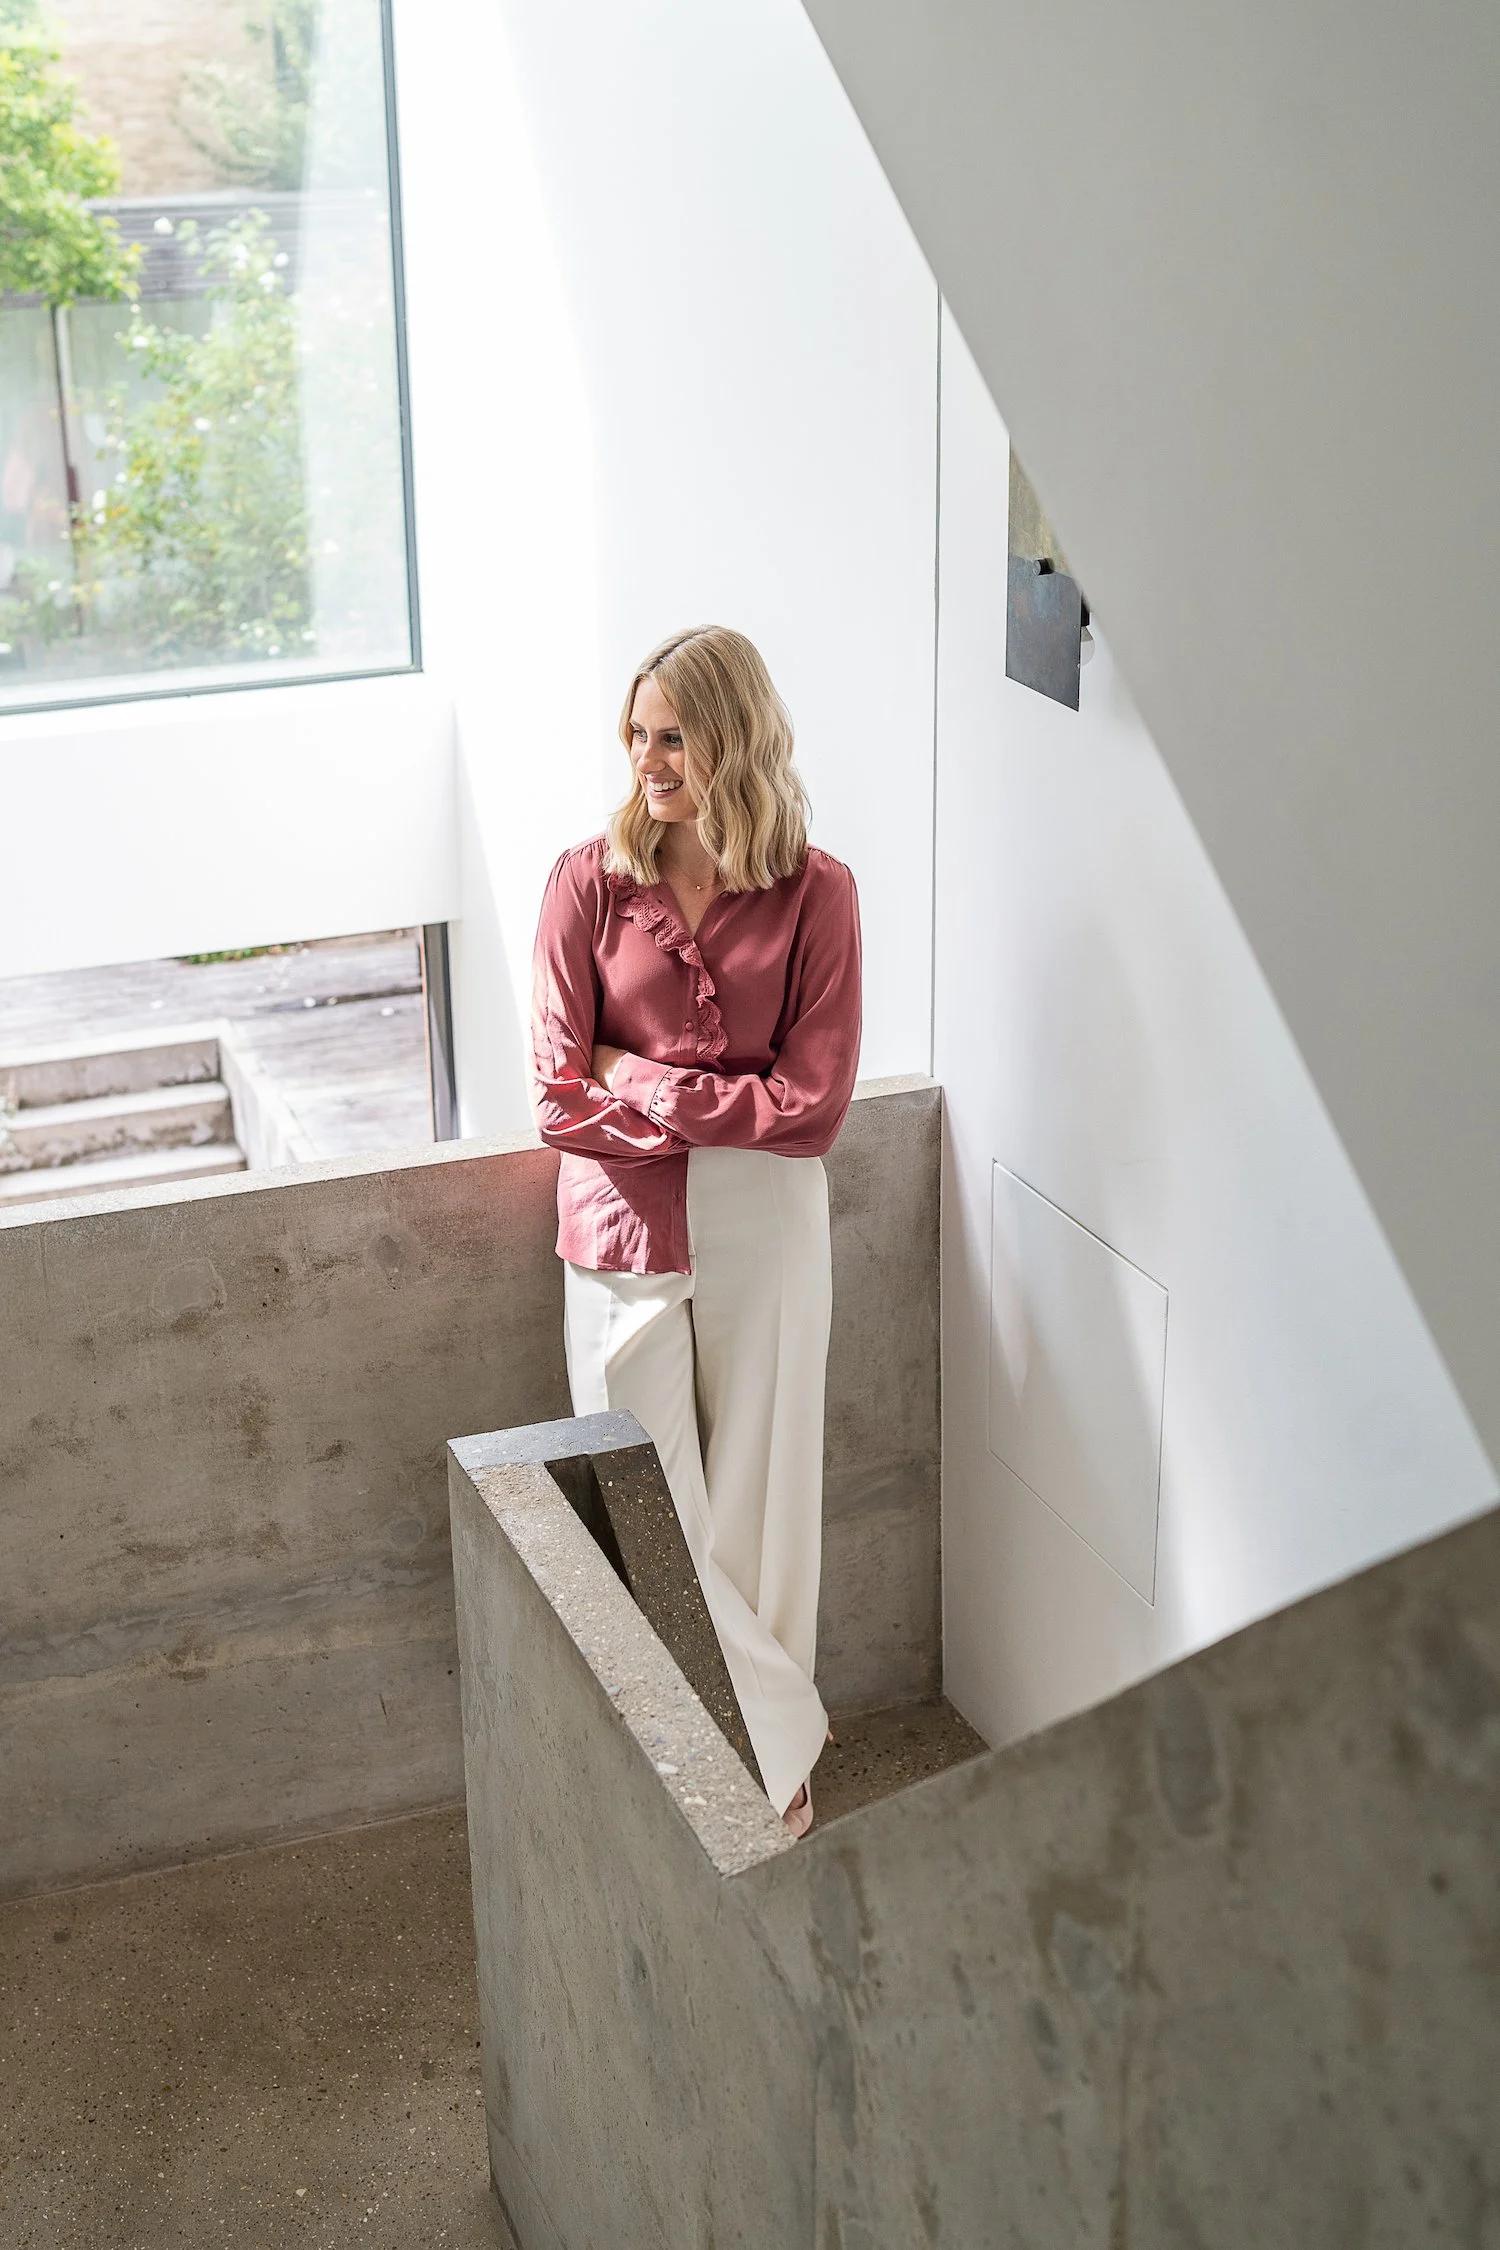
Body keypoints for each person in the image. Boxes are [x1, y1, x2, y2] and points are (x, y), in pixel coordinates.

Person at [529, 625, 862, 1836]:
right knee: (643, 1493)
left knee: (764, 1490)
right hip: (618, 1219)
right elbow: (559, 1093)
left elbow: (813, 1110)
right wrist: (720, 1110)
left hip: (768, 1217)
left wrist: (651, 1080)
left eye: (674, 734)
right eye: (637, 733)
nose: (648, 758)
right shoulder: (585, 882)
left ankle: (759, 1774)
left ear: (735, 735)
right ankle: (766, 1728)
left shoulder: (819, 893)